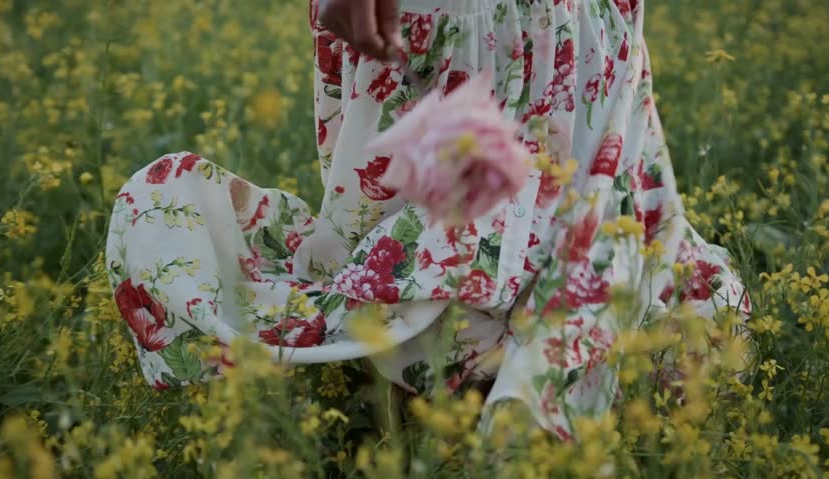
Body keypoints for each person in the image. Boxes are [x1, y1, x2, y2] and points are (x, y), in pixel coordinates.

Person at [106, 0, 751, 440]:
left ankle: (478, 402)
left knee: (565, 237)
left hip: (545, 21)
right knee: (441, 259)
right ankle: (464, 400)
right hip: (458, 20)